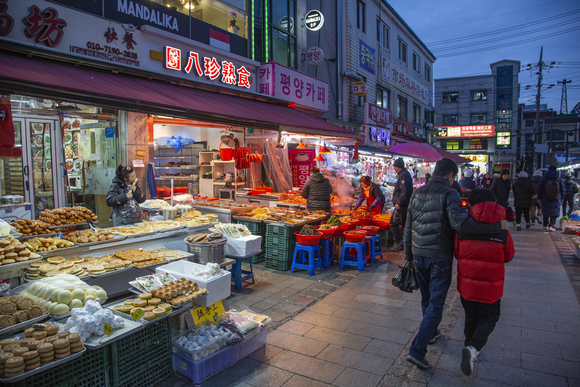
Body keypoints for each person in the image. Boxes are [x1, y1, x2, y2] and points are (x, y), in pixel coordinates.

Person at [404, 158, 504, 370]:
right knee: (436, 305)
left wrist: (408, 256)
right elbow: (459, 223)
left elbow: (408, 226)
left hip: (418, 253)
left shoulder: (417, 192)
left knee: (427, 299)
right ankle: (417, 350)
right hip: (438, 255)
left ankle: (431, 332)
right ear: (450, 176)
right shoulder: (450, 194)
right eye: (454, 178)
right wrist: (494, 229)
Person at [455, 188, 515, 376]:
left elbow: (457, 253)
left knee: (471, 316)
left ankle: (469, 348)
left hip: (468, 283)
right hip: (491, 285)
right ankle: (472, 348)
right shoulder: (502, 228)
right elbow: (508, 255)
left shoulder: (463, 226)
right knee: (490, 317)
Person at [390, 158, 413, 252]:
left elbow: (404, 191)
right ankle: (403, 243)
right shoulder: (403, 174)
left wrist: (399, 203)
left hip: (402, 205)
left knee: (394, 223)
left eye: (394, 166)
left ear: (396, 167)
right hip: (403, 204)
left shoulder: (403, 175)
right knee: (403, 224)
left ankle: (399, 243)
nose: (394, 168)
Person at [538, 165, 565, 231]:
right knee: (554, 211)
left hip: (545, 197)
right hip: (556, 198)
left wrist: (539, 197)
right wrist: (562, 197)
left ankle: (545, 225)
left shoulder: (544, 178)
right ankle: (552, 225)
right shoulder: (559, 179)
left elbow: (540, 188)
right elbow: (562, 188)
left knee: (546, 211)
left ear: (548, 170)